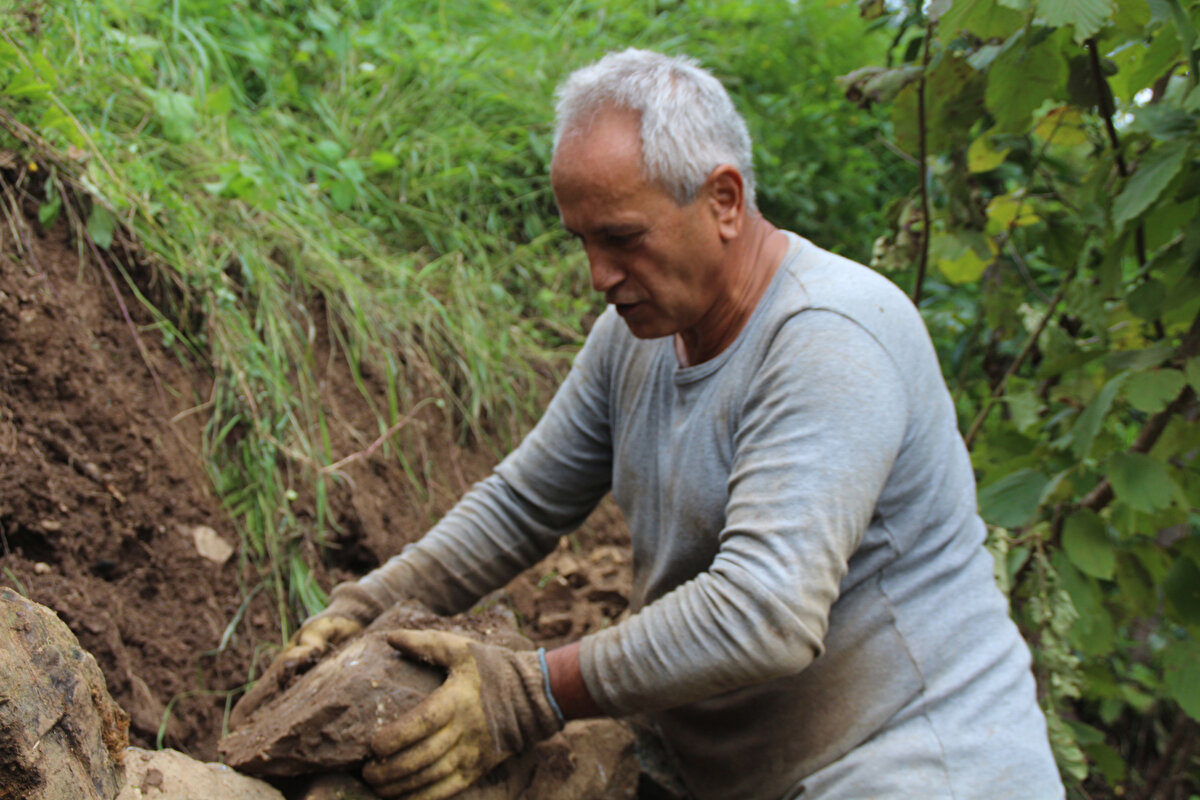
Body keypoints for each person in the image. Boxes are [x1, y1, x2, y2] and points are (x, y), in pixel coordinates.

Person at [238, 49, 1064, 800]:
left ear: (724, 199)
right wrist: (366, 603)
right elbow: (524, 503)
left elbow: (764, 613)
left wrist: (530, 691)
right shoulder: (638, 337)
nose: (599, 275)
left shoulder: (829, 338)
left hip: (915, 767)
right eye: (583, 242)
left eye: (622, 238)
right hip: (746, 774)